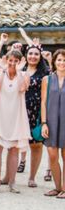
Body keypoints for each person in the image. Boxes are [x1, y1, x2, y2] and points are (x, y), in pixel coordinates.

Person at [0, 52, 30, 194]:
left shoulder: (24, 75)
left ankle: (12, 182)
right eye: (10, 60)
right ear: (6, 60)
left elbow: (22, 88)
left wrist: (18, 72)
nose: (12, 63)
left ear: (19, 62)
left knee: (14, 150)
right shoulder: (0, 72)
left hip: (16, 115)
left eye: (16, 61)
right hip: (0, 113)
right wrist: (4, 69)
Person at [20, 44, 50, 187]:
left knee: (36, 145)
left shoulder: (45, 73)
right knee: (13, 144)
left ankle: (32, 177)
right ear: (26, 55)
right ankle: (9, 175)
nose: (33, 56)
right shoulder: (20, 69)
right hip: (19, 110)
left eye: (36, 54)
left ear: (40, 57)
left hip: (37, 111)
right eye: (30, 53)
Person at [41, 49, 65, 198]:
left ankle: (64, 188)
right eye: (59, 60)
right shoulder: (47, 80)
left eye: (64, 60)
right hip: (51, 121)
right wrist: (44, 123)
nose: (62, 63)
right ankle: (57, 187)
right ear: (54, 62)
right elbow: (43, 103)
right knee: (52, 155)